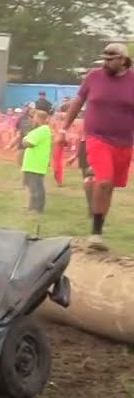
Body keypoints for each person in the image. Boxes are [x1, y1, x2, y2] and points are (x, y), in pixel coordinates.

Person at [62, 42, 134, 251]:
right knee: (104, 182)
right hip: (96, 138)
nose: (105, 63)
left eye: (110, 60)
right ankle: (95, 234)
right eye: (104, 59)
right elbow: (77, 103)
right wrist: (63, 129)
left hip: (124, 142)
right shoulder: (93, 77)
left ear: (123, 60)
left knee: (109, 187)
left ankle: (97, 223)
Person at [20, 109, 52, 214]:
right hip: (32, 163)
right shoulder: (38, 130)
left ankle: (36, 208)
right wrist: (24, 140)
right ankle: (31, 206)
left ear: (38, 118)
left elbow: (28, 143)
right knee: (32, 186)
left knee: (36, 187)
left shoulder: (42, 130)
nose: (32, 119)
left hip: (36, 163)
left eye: (34, 117)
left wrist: (24, 141)